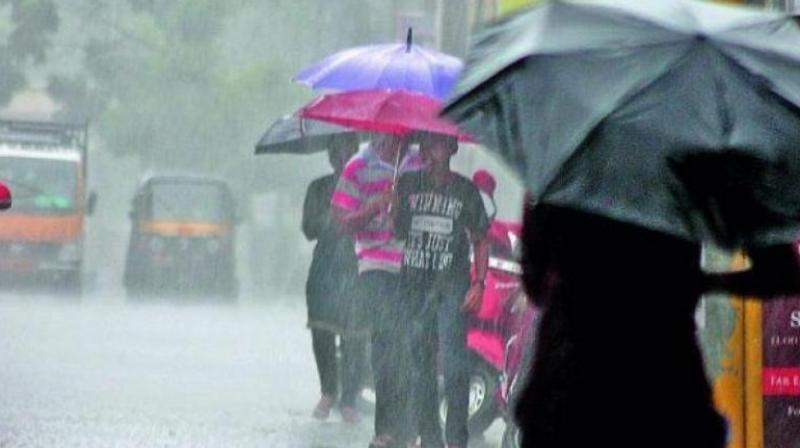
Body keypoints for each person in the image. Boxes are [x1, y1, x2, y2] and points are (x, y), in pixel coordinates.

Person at [515, 203, 800, 448]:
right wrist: (697, 282)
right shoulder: (697, 161)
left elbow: (535, 285)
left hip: (565, 399)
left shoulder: (572, 164)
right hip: (667, 400)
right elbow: (780, 273)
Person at [395, 132, 489, 448]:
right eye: (426, 144)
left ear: (451, 148)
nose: (429, 150)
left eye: (436, 144)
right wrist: (393, 205)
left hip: (452, 283)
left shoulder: (465, 190)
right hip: (415, 285)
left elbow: (480, 239)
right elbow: (398, 231)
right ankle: (430, 437)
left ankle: (457, 439)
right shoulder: (407, 183)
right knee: (419, 364)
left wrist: (479, 282)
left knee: (453, 365)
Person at [331, 133, 422, 448]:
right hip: (375, 266)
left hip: (414, 267)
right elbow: (342, 221)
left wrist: (402, 209)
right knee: (386, 345)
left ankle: (409, 431)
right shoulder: (358, 167)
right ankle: (385, 430)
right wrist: (374, 207)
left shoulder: (419, 164)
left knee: (410, 348)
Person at [301, 135, 365, 423]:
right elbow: (308, 228)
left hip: (358, 266)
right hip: (325, 267)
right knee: (321, 330)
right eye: (336, 153)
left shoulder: (367, 185)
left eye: (348, 153)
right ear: (329, 157)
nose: (342, 159)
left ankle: (349, 399)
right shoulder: (318, 188)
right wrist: (333, 213)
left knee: (356, 335)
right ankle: (328, 390)